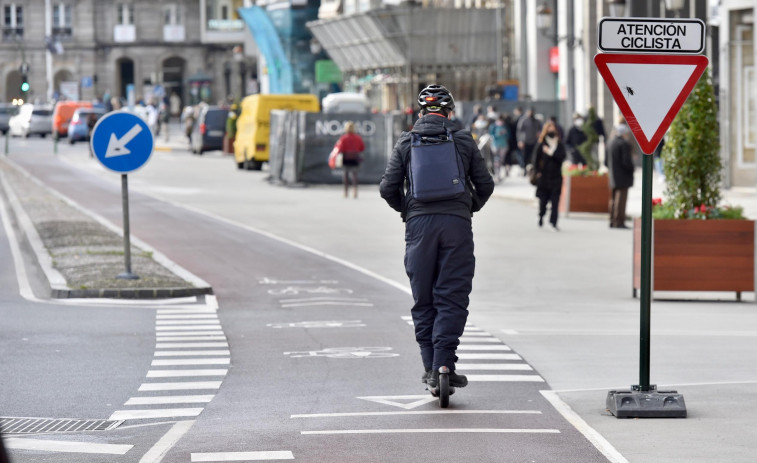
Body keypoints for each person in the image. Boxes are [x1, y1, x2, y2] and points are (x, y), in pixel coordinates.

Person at [379, 84, 494, 390]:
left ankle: (431, 368)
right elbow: (486, 184)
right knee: (452, 295)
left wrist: (408, 210)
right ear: (449, 111)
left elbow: (387, 188)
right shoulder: (463, 140)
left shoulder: (406, 142)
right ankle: (445, 364)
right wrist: (468, 208)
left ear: (420, 112)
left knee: (424, 298)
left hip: (419, 227)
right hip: (456, 224)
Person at [532, 120, 567, 231]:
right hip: (544, 177)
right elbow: (535, 160)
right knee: (543, 201)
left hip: (556, 177)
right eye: (549, 128)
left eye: (553, 128)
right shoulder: (542, 144)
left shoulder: (559, 144)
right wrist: (538, 172)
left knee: (555, 201)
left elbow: (562, 158)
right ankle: (541, 216)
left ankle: (553, 222)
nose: (551, 131)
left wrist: (551, 152)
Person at [607, 120, 635, 229]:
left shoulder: (610, 142)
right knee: (621, 199)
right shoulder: (624, 144)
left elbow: (605, 160)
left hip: (613, 174)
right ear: (624, 133)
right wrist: (631, 170)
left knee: (613, 199)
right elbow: (626, 162)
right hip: (623, 175)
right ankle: (619, 221)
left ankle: (612, 220)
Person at [333, 121, 365, 198]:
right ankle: (355, 191)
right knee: (354, 175)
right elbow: (362, 147)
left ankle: (346, 192)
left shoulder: (343, 138)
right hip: (355, 158)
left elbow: (340, 148)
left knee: (345, 175)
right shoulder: (358, 137)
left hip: (346, 158)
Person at [516, 108, 542, 172]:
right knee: (525, 156)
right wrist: (520, 141)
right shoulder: (523, 120)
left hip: (534, 141)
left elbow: (540, 129)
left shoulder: (536, 121)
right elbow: (519, 131)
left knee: (534, 156)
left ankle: (533, 169)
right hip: (525, 141)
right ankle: (525, 169)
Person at [488, 114, 510, 181]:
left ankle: (499, 174)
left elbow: (508, 135)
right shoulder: (493, 126)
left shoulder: (505, 126)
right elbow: (491, 135)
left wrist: (504, 133)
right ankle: (497, 174)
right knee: (496, 160)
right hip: (495, 145)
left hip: (503, 145)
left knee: (501, 160)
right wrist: (497, 134)